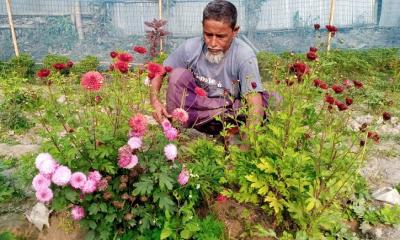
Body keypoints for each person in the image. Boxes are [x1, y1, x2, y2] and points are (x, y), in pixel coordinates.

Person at [150, 0, 269, 139]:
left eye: (220, 37)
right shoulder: (191, 47)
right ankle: (175, 131)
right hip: (200, 106)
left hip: (228, 113)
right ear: (202, 27)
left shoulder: (244, 56)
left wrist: (244, 151)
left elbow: (255, 105)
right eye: (208, 34)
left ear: (234, 31)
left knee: (259, 105)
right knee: (177, 75)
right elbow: (159, 70)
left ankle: (230, 134)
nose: (212, 43)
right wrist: (155, 103)